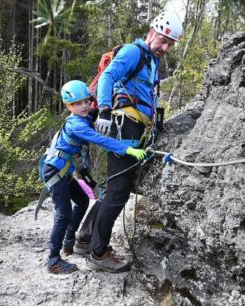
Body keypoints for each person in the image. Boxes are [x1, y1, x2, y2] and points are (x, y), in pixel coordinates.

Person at [74, 11, 183, 273]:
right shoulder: (134, 52)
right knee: (118, 193)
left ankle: (85, 238)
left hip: (134, 127)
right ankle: (98, 254)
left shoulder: (150, 59)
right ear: (153, 33)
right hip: (124, 126)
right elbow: (109, 77)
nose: (166, 48)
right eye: (164, 41)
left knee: (114, 188)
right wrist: (103, 112)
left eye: (171, 44)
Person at [42, 80, 146, 274]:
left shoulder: (84, 118)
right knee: (63, 214)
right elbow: (101, 139)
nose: (84, 106)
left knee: (82, 201)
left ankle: (69, 241)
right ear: (69, 106)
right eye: (78, 104)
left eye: (86, 102)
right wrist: (128, 149)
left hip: (62, 168)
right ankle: (53, 260)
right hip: (55, 171)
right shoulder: (76, 125)